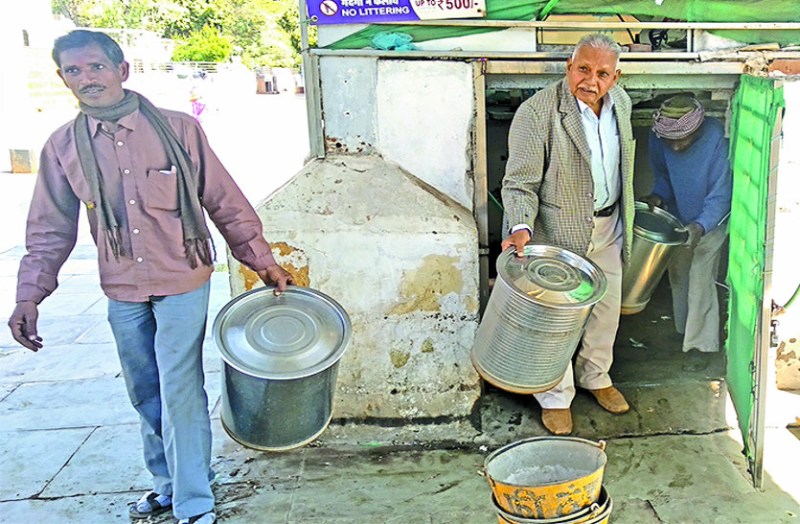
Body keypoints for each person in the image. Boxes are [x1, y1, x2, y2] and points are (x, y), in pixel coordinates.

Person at [7, 30, 293, 524]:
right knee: (144, 388)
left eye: (96, 67)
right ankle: (164, 483)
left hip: (183, 275)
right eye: (74, 71)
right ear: (62, 79)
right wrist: (29, 294)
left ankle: (194, 502)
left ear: (123, 70)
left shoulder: (179, 129)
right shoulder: (62, 146)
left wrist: (260, 259)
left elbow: (223, 198)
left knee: (180, 384)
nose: (87, 79)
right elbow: (50, 227)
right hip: (121, 284)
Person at [501, 33, 635, 436]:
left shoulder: (622, 105)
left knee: (606, 309)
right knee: (558, 317)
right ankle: (555, 395)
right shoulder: (537, 111)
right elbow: (518, 182)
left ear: (616, 77)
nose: (590, 80)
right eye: (583, 69)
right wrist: (521, 226)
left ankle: (596, 376)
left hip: (609, 223)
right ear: (568, 67)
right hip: (557, 230)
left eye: (602, 73)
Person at [642, 95, 732, 354]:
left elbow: (721, 193)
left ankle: (701, 347)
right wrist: (658, 195)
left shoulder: (715, 136)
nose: (677, 147)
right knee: (679, 276)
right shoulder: (659, 137)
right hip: (680, 215)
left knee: (701, 279)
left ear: (698, 128)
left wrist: (701, 226)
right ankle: (683, 333)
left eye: (683, 139)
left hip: (713, 219)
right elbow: (664, 175)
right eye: (671, 141)